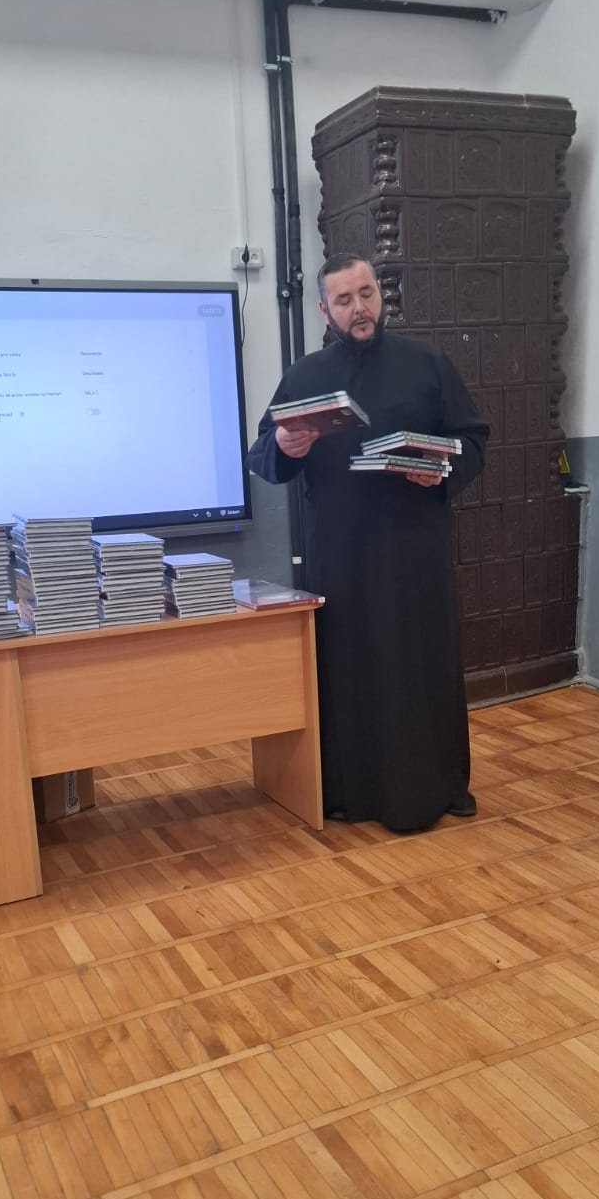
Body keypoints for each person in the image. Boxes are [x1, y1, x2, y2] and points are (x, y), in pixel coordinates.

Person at [246, 253, 489, 833]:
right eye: (345, 300)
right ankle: (348, 792)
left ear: (380, 294)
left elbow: (473, 440)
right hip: (340, 555)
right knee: (349, 667)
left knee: (419, 665)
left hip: (414, 550)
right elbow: (264, 456)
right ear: (323, 309)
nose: (360, 308)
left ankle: (439, 784)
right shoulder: (304, 377)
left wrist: (442, 471)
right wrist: (287, 447)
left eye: (367, 294)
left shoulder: (427, 363)